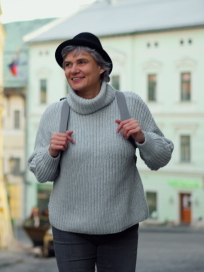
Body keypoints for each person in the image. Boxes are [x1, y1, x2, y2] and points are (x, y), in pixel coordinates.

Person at [27, 32, 174, 271]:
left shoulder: (129, 104)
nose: (73, 70)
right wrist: (52, 152)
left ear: (102, 68)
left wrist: (142, 138)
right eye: (68, 65)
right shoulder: (55, 113)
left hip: (120, 227)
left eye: (81, 62)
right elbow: (41, 174)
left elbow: (161, 158)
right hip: (69, 229)